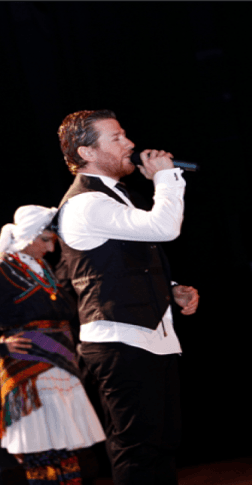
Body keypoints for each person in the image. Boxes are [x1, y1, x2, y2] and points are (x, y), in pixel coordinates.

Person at [54, 110, 200, 485]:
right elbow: (164, 227)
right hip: (120, 341)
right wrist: (166, 178)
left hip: (149, 338)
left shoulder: (114, 197)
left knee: (162, 447)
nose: (130, 143)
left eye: (125, 135)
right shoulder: (86, 202)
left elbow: (118, 262)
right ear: (86, 152)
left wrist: (170, 289)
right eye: (117, 137)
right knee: (138, 451)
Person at [0, 205, 105, 484]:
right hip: (29, 367)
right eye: (46, 240)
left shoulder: (42, 269)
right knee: (41, 440)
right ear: (28, 235)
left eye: (53, 241)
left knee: (65, 438)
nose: (51, 248)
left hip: (62, 364)